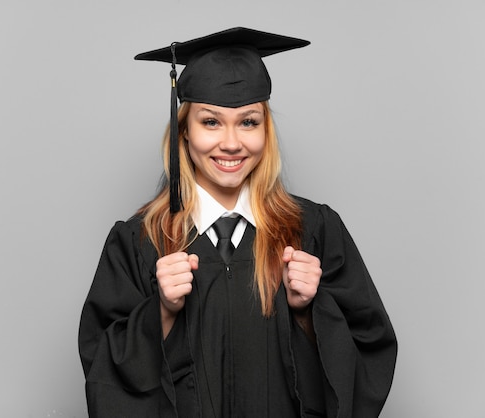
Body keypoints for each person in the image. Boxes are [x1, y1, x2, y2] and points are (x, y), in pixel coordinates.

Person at [78, 27, 397, 418]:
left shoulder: (313, 230)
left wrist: (310, 312)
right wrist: (159, 312)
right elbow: (101, 368)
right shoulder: (139, 240)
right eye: (210, 122)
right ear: (184, 131)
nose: (231, 143)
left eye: (248, 122)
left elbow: (370, 357)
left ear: (266, 130)